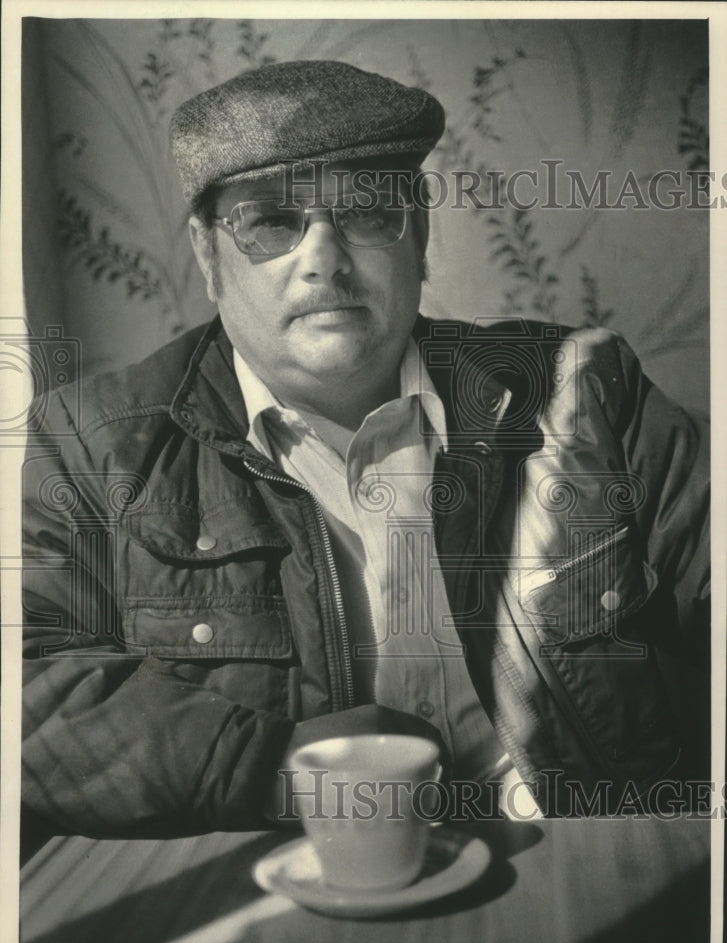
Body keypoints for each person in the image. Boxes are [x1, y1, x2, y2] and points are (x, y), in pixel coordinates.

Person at [22, 60, 710, 838]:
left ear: (417, 231)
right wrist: (274, 767)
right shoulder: (90, 444)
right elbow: (25, 679)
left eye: (366, 211)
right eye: (271, 222)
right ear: (209, 255)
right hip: (287, 892)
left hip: (575, 871)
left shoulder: (584, 393)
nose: (323, 259)